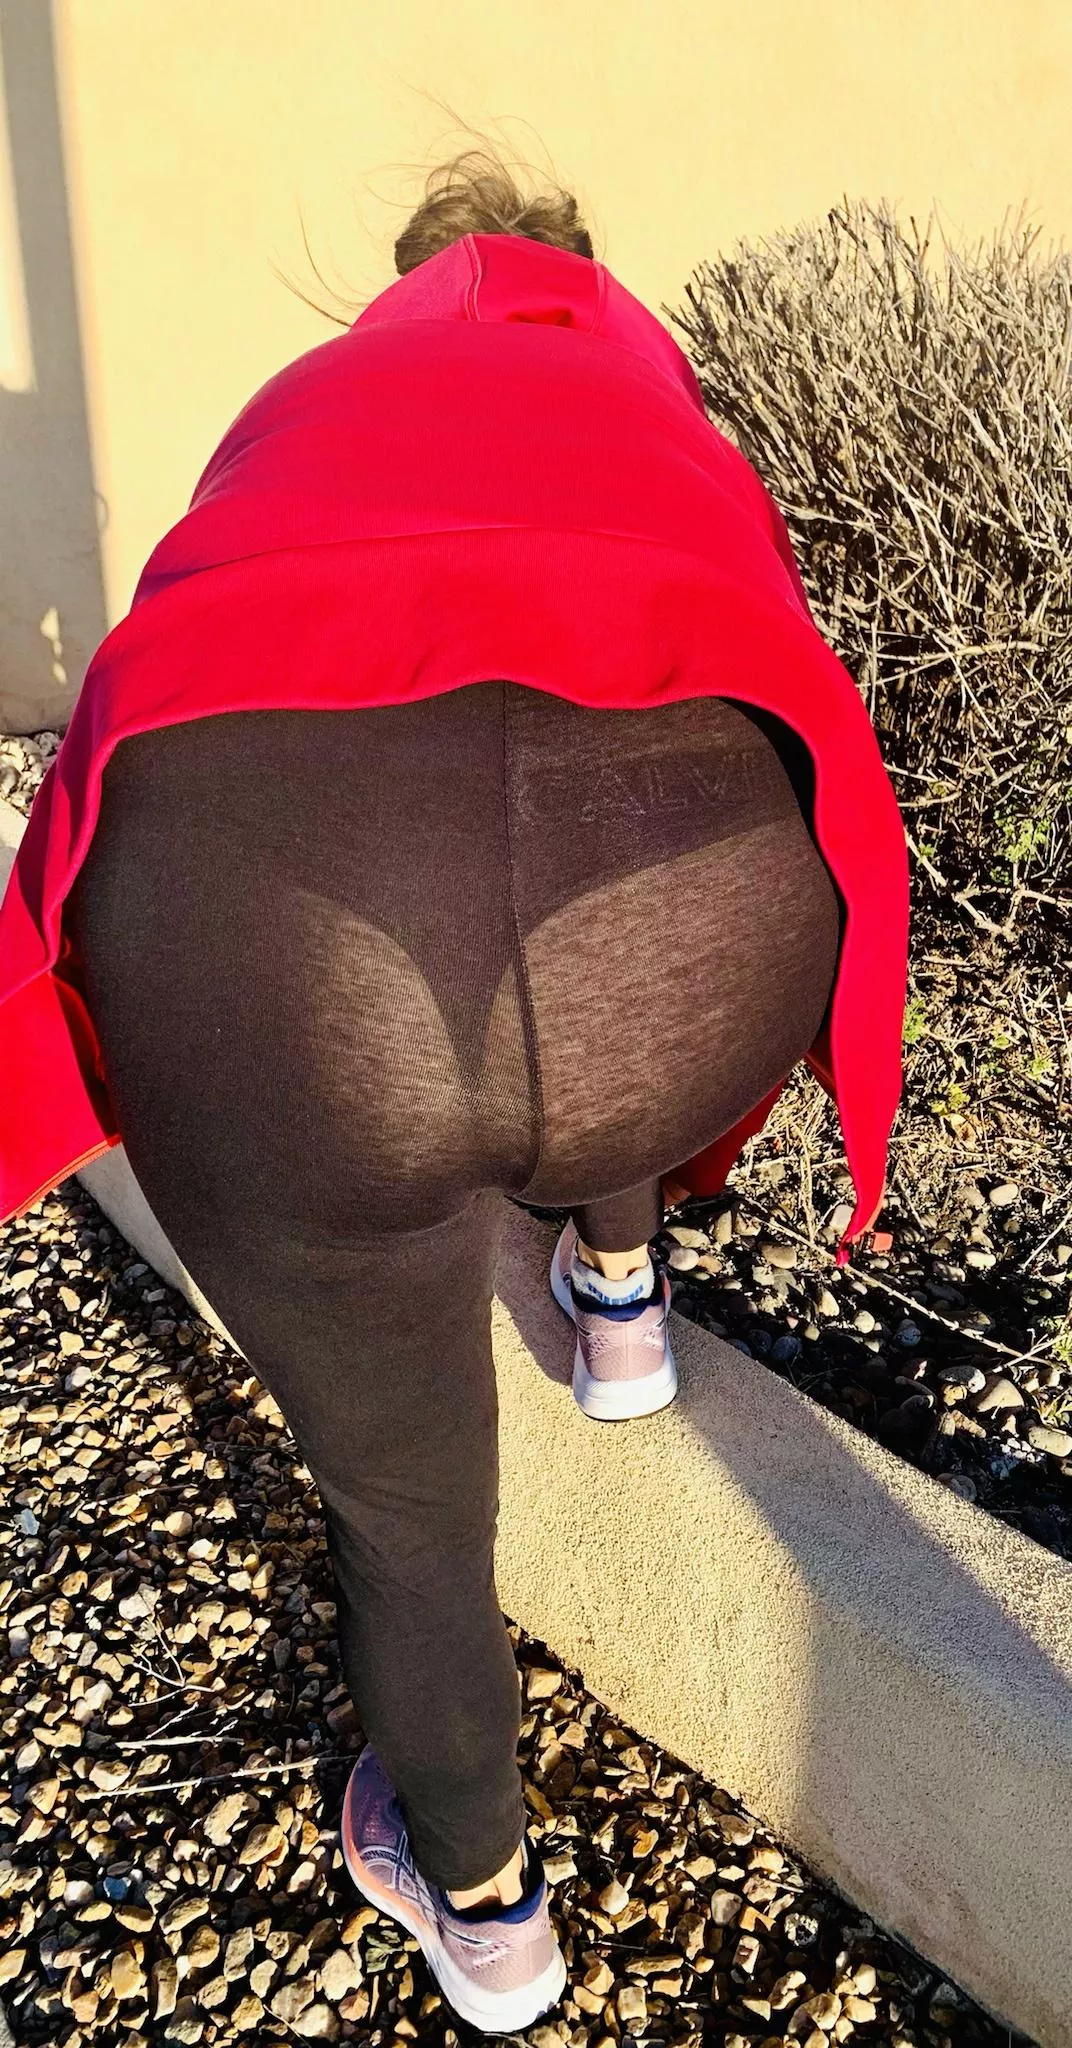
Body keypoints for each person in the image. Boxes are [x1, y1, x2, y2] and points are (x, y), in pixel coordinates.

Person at [0, 143, 908, 2033]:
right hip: (698, 921)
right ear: (588, 280)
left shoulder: (314, 396)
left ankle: (489, 1911)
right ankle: (621, 1301)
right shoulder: (657, 399)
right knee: (603, 846)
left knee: (406, 1504)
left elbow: (189, 638)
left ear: (398, 290)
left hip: (277, 930)